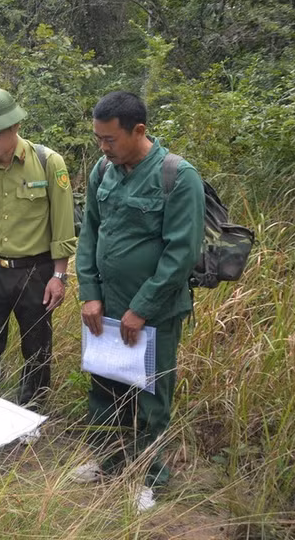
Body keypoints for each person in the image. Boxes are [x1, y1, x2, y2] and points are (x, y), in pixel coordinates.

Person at [73, 91, 205, 511]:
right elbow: (89, 233)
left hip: (155, 313)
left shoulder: (177, 177)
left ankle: (150, 476)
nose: (103, 147)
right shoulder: (102, 170)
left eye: (110, 139)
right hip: (105, 309)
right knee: (104, 385)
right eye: (98, 138)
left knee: (151, 394)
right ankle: (108, 460)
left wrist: (142, 308)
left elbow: (180, 252)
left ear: (139, 131)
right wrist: (90, 293)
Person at [0, 88, 77, 411]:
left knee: (36, 347)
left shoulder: (48, 163)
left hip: (36, 272)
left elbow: (63, 227)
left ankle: (31, 415)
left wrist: (59, 277)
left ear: (15, 127)